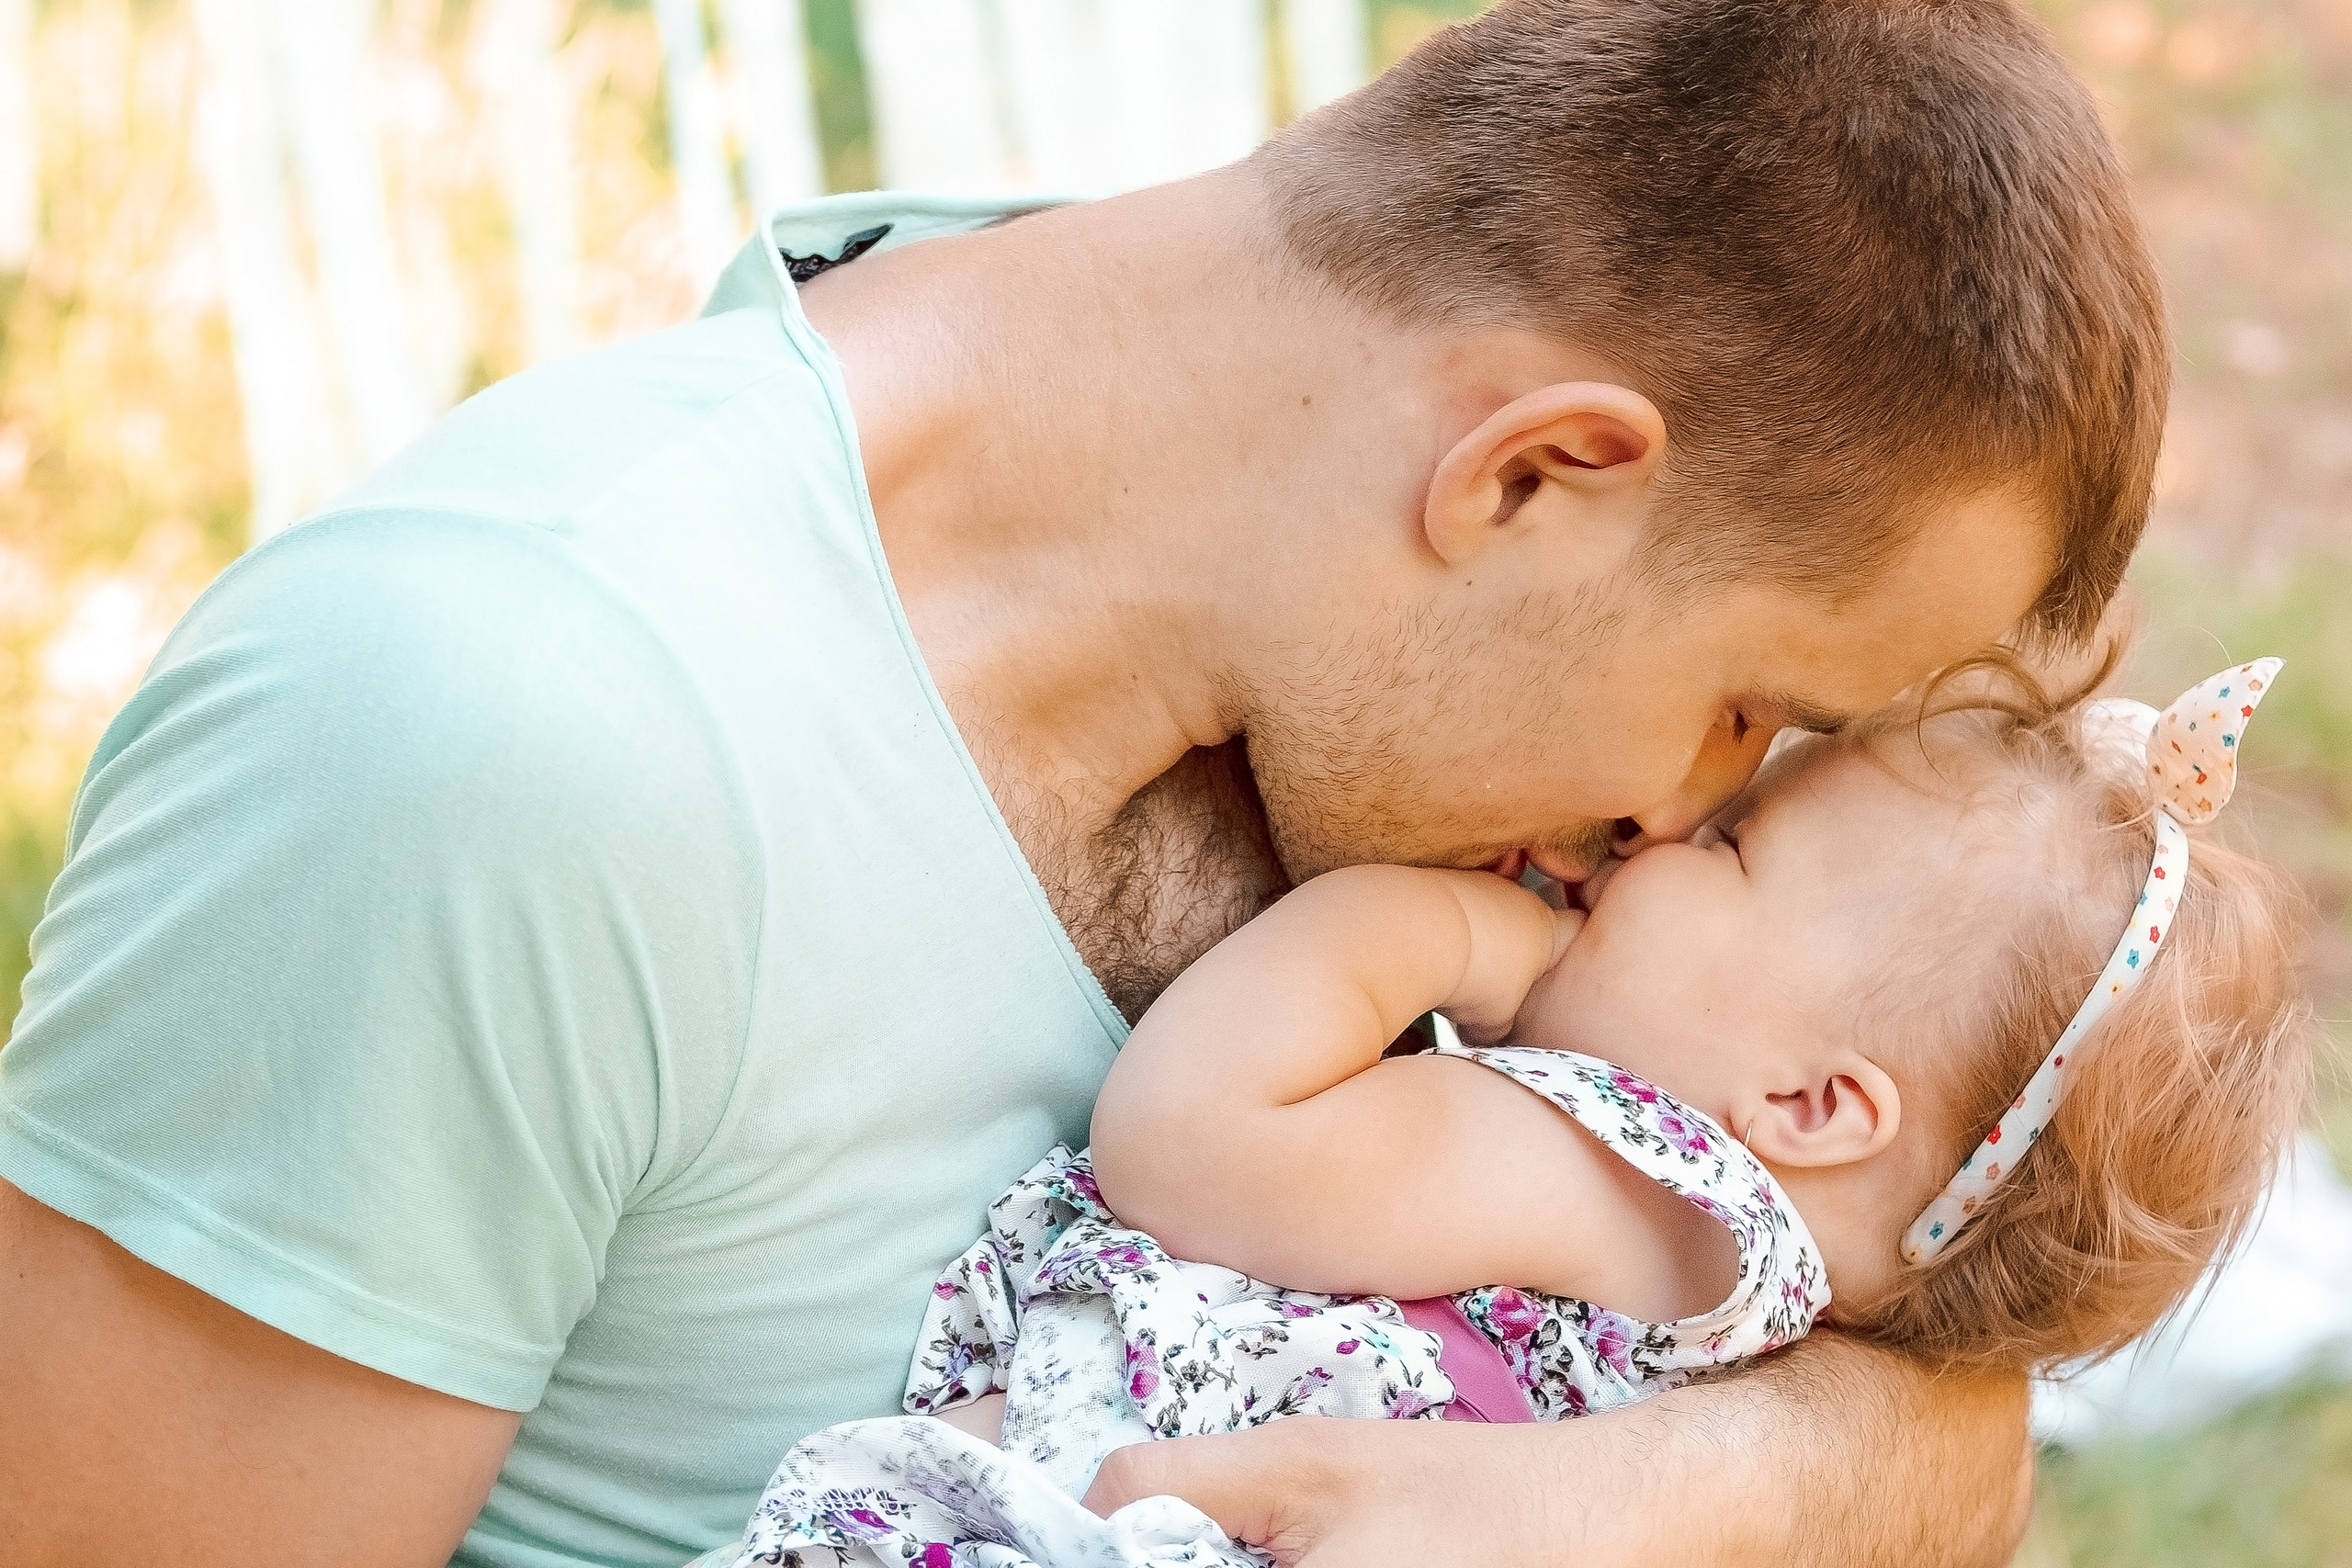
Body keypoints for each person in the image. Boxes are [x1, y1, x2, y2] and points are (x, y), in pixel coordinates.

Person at [0, 2, 2166, 1563]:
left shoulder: (1303, 598)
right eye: (1742, 713)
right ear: (1531, 474)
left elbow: (1926, 1341)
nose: (1681, 827)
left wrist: (1661, 1491)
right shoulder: (484, 747)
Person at [693, 659, 2308, 1568]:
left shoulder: (1625, 1171)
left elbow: (1195, 1146)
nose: (1661, 839)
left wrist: (1429, 926)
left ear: (1812, 1104)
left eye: (1735, 850)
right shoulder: (1729, 1299)